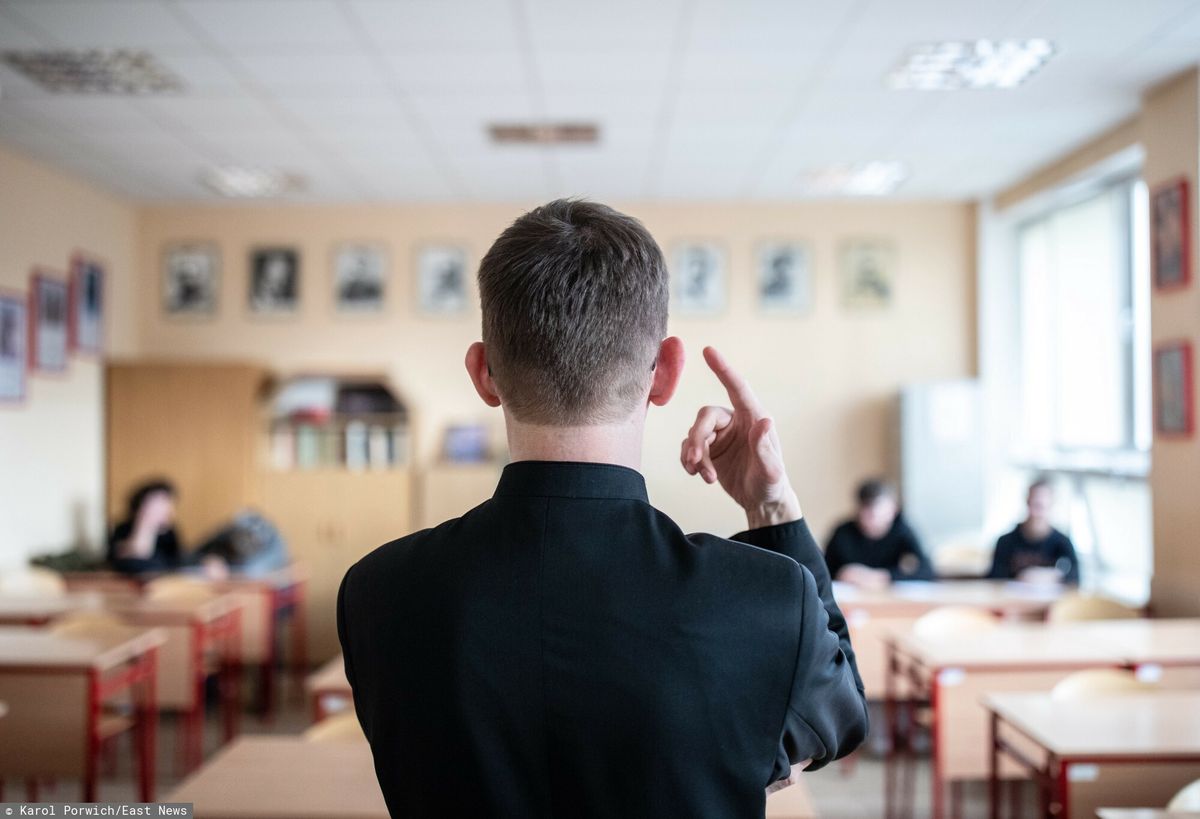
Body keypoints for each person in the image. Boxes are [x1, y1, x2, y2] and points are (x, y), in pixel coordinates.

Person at [337, 200, 868, 818]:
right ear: (666, 373)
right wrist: (774, 507)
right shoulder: (767, 598)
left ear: (483, 374)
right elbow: (842, 720)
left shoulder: (378, 591)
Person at [824, 479, 934, 587]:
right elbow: (823, 570)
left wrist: (883, 576)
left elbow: (927, 571)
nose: (873, 514)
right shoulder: (843, 533)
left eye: (879, 508)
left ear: (893, 509)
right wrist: (842, 575)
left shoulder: (902, 531)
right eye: (867, 509)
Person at [987, 478, 1079, 583]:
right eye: (1031, 504)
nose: (1034, 512)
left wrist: (1045, 576)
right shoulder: (1005, 542)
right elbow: (994, 581)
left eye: (1040, 506)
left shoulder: (1063, 543)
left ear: (1051, 505)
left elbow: (1075, 580)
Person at [107, 479, 183, 575]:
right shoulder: (123, 529)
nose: (166, 508)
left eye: (167, 502)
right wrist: (146, 523)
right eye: (157, 503)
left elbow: (176, 562)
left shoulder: (169, 533)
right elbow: (129, 558)